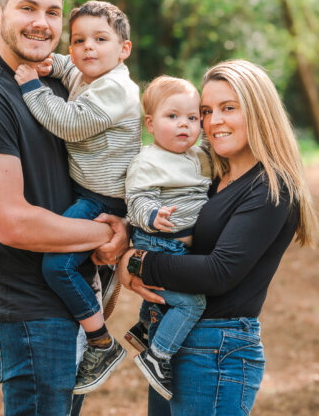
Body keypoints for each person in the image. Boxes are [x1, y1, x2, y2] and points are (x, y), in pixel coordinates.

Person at [0, 0, 129, 416]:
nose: (41, 22)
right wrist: (108, 237)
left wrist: (121, 227)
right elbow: (13, 223)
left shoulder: (48, 85)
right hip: (28, 309)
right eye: (27, 8)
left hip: (66, 299)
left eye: (53, 12)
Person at [117, 59, 319, 415]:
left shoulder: (271, 188)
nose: (213, 122)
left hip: (217, 349)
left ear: (258, 112)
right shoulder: (209, 177)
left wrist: (138, 262)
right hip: (176, 340)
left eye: (228, 108)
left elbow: (217, 273)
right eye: (206, 111)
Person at [12, 0, 141, 394]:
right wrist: (57, 66)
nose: (88, 48)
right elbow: (74, 74)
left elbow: (69, 122)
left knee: (57, 267)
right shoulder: (92, 74)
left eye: (101, 39)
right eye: (79, 40)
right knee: (68, 267)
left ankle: (101, 341)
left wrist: (32, 85)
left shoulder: (116, 89)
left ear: (124, 49)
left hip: (104, 200)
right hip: (90, 189)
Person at [123, 76, 211, 400]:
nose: (183, 125)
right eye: (172, 117)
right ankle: (157, 356)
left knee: (162, 301)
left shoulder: (198, 156)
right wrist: (152, 215)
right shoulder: (149, 160)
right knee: (192, 304)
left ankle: (145, 330)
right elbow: (136, 200)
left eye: (192, 118)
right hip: (159, 242)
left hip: (176, 246)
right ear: (150, 123)